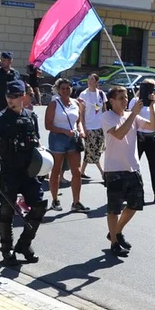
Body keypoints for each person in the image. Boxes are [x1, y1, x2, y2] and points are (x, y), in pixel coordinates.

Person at [0, 79, 47, 266]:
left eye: (14, 96)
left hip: (29, 171)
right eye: (8, 96)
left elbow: (37, 144)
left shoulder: (31, 116)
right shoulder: (0, 118)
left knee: (39, 205)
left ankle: (24, 244)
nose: (10, 100)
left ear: (23, 97)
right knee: (7, 210)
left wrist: (44, 163)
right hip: (9, 171)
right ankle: (7, 250)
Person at [102, 85, 155, 257]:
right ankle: (114, 242)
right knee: (114, 209)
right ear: (111, 101)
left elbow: (152, 127)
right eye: (121, 98)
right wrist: (134, 113)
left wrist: (152, 107)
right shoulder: (107, 116)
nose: (125, 100)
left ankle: (116, 232)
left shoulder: (130, 116)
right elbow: (119, 134)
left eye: (126, 97)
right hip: (115, 169)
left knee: (135, 205)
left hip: (133, 168)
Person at [44, 78, 88, 213]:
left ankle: (76, 202)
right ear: (58, 90)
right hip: (58, 139)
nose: (66, 90)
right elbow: (48, 125)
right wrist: (63, 131)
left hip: (73, 139)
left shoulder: (75, 103)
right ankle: (55, 200)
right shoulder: (53, 104)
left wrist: (81, 131)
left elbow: (79, 121)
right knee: (56, 170)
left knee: (76, 171)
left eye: (68, 88)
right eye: (63, 88)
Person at [129, 79, 155, 204]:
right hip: (139, 137)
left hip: (152, 137)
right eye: (153, 89)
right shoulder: (135, 101)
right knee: (134, 166)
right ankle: (133, 193)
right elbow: (130, 118)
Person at [78, 74, 106, 181]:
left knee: (93, 150)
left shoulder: (101, 94)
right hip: (89, 126)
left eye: (92, 80)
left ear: (97, 82)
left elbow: (104, 110)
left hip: (100, 126)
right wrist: (83, 127)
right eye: (89, 79)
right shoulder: (84, 94)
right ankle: (102, 172)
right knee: (94, 150)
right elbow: (81, 113)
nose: (89, 81)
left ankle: (82, 171)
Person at [0, 51, 21, 116]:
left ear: (10, 61)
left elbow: (20, 88)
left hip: (12, 105)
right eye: (1, 60)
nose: (2, 62)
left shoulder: (15, 73)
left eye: (4, 60)